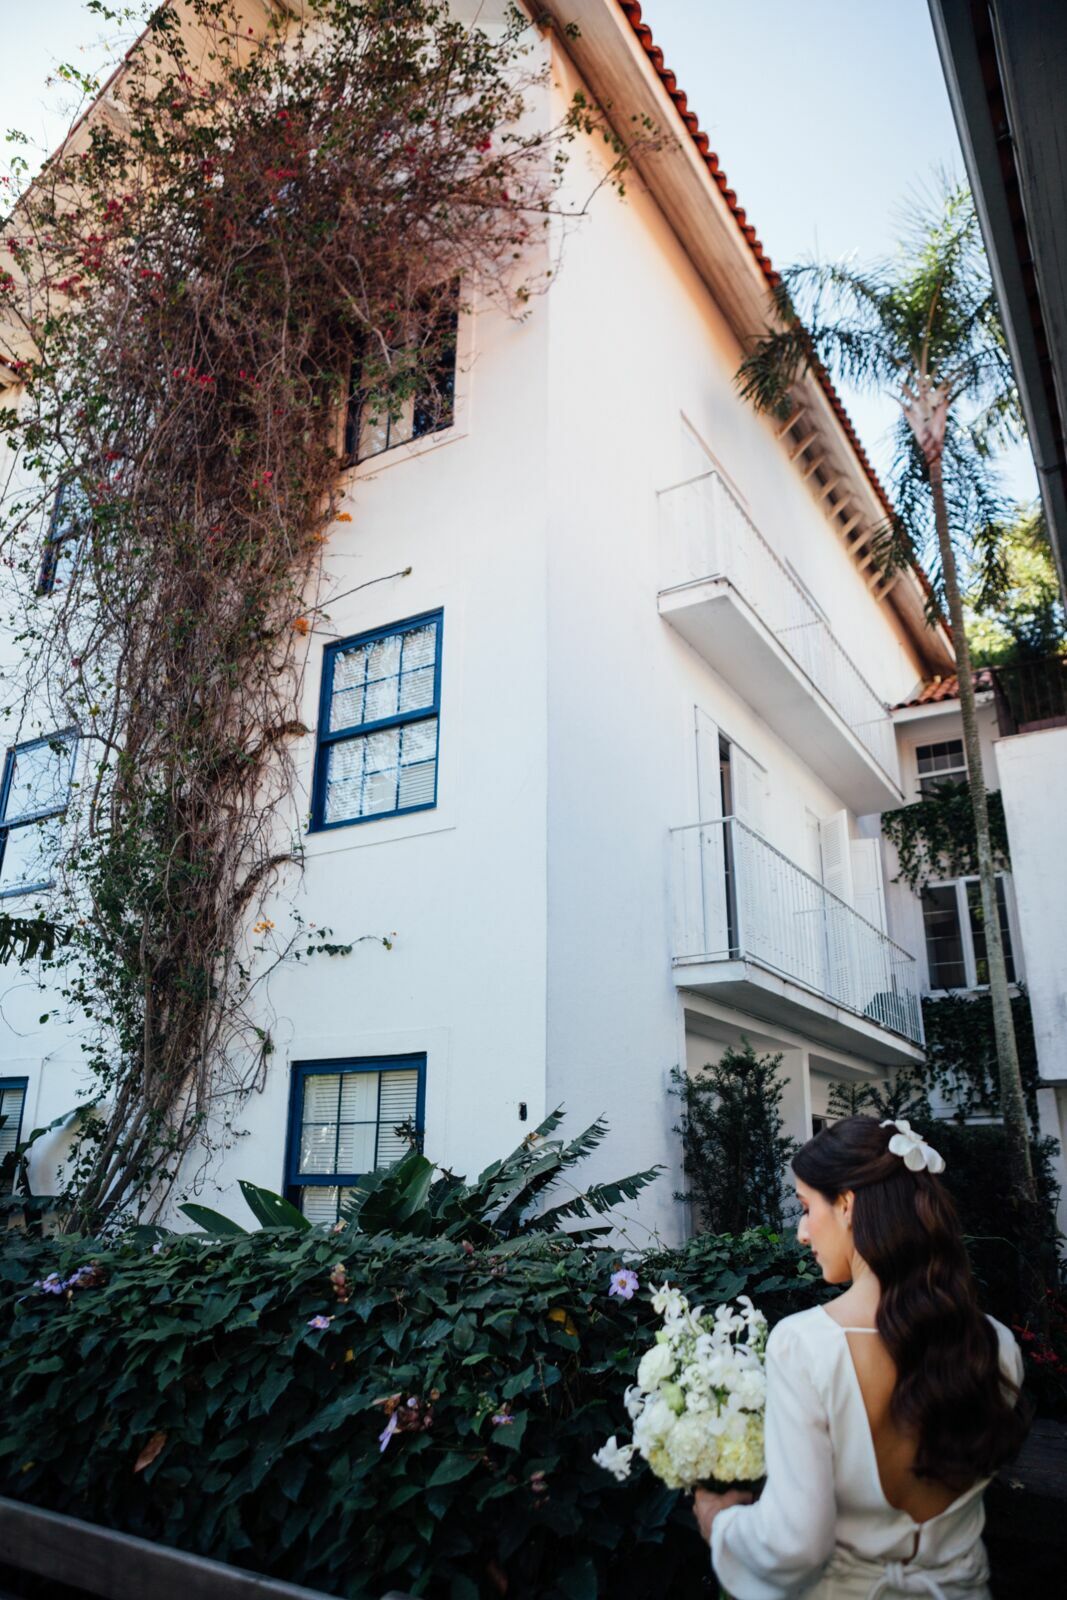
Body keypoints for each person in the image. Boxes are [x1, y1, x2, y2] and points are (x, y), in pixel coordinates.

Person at [693, 1115, 1028, 1598]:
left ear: (847, 1204)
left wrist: (719, 1522)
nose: (802, 1234)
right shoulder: (995, 1344)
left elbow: (794, 1544)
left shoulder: (804, 1345)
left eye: (806, 1208)